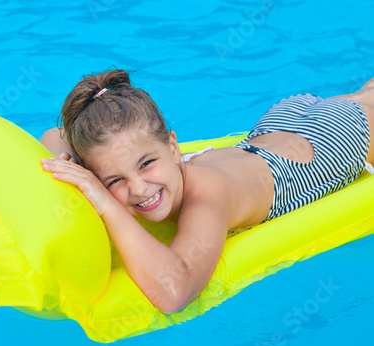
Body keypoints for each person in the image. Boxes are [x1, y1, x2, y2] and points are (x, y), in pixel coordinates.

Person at [39, 69, 374, 314]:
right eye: (114, 180)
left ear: (173, 148)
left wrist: (105, 201)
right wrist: (74, 166)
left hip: (336, 139)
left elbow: (175, 292)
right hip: (277, 126)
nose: (138, 188)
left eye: (145, 164)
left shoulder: (208, 193)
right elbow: (53, 136)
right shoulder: (145, 159)